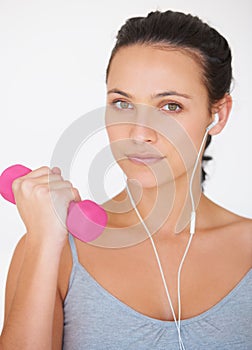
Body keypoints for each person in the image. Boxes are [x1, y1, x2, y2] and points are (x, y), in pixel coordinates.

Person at [0, 9, 251, 350]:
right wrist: (44, 243)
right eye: (122, 103)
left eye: (170, 106)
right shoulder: (55, 252)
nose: (139, 132)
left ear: (217, 114)